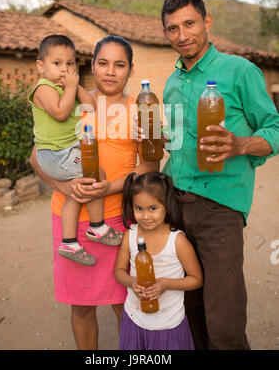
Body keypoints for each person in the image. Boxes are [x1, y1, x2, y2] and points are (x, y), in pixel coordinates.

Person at [159, 0, 279, 350]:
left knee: (223, 320)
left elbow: (274, 128)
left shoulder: (239, 71)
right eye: (173, 28)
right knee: (187, 308)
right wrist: (151, 137)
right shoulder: (171, 83)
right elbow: (175, 142)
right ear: (165, 33)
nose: (183, 35)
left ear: (207, 22)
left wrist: (241, 144)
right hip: (174, 205)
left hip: (220, 209)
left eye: (190, 23)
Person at [29, 35, 159, 350]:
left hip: (117, 221)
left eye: (119, 65)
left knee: (123, 302)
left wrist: (109, 187)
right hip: (70, 221)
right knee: (81, 305)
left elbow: (152, 164)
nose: (110, 72)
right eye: (103, 63)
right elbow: (37, 156)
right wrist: (65, 186)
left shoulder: (142, 108)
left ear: (130, 70)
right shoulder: (70, 103)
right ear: (91, 66)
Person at [29, 34, 123, 267]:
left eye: (69, 64)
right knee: (96, 174)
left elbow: (90, 106)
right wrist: (70, 88)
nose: (64, 69)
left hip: (64, 152)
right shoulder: (43, 88)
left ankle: (69, 242)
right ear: (41, 66)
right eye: (57, 63)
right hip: (55, 154)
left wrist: (77, 86)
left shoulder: (68, 87)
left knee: (77, 192)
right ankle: (97, 227)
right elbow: (60, 113)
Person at [114, 172, 203, 350]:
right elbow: (119, 271)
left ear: (167, 207)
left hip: (169, 323)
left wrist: (166, 284)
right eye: (139, 209)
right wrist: (132, 281)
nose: (145, 216)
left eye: (153, 208)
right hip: (135, 318)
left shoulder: (177, 241)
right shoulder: (130, 236)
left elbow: (196, 279)